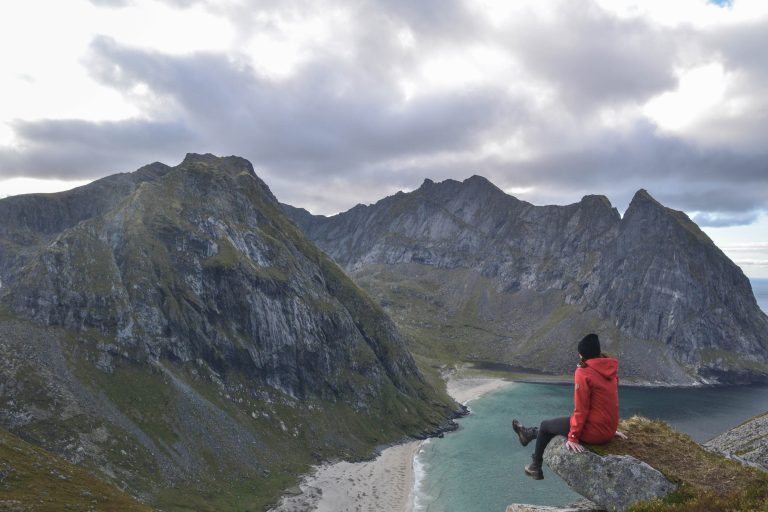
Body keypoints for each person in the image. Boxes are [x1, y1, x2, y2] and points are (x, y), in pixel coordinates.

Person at [511, 333, 626, 480]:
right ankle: (528, 434)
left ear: (582, 354)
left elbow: (581, 409)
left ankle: (535, 466)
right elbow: (610, 401)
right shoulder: (609, 368)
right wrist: (610, 428)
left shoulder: (584, 372)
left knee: (546, 426)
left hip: (595, 431)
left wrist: (573, 437)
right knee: (557, 425)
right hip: (607, 428)